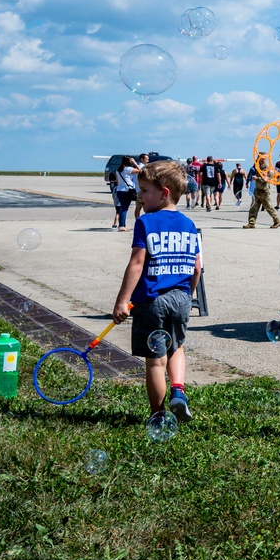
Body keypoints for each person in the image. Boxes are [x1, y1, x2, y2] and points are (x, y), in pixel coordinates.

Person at [111, 160, 201, 422]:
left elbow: (137, 264)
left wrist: (122, 301)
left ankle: (158, 415)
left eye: (144, 190)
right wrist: (188, 295)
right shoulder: (189, 224)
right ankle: (178, 391)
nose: (139, 195)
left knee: (154, 361)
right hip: (182, 298)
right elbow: (197, 268)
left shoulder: (145, 222)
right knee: (177, 347)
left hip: (151, 302)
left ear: (164, 193)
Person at [243, 157, 280, 229]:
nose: (257, 159)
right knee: (254, 207)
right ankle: (251, 223)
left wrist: (257, 179)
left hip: (264, 191)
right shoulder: (258, 166)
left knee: (269, 207)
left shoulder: (267, 168)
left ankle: (277, 221)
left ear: (263, 159)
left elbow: (268, 178)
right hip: (258, 189)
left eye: (259, 158)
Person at [113, 156, 140, 232]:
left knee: (122, 208)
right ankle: (122, 225)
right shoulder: (128, 169)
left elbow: (117, 181)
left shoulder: (118, 170)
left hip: (119, 190)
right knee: (124, 208)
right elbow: (140, 171)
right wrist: (135, 163)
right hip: (127, 190)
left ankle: (122, 225)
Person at [133, 153, 150, 220]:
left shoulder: (138, 168)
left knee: (138, 208)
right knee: (146, 207)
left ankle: (137, 220)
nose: (147, 161)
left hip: (138, 190)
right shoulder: (141, 168)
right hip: (142, 190)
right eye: (146, 159)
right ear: (141, 159)